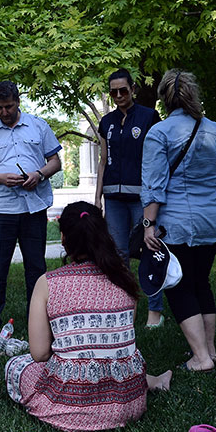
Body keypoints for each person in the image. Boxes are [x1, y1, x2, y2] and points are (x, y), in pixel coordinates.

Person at [4, 201, 172, 432]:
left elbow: (39, 353)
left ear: (63, 238)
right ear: (102, 233)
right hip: (128, 404)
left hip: (69, 406)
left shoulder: (48, 283)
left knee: (16, 365)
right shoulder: (123, 278)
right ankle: (151, 382)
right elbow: (118, 336)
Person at [141, 69, 216, 372]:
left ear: (163, 98)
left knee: (178, 285)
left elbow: (154, 185)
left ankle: (200, 358)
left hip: (179, 223)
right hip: (213, 219)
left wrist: (148, 225)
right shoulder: (214, 129)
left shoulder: (159, 132)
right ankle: (210, 351)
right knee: (201, 282)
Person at [0, 80, 62, 336]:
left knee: (36, 267)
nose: (4, 112)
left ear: (18, 102)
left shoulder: (38, 126)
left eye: (8, 106)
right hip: (0, 209)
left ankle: (39, 321)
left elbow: (55, 161)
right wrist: (1, 178)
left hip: (34, 207)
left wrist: (39, 175)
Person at [95, 68, 165, 328]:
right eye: (113, 92)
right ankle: (124, 309)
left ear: (133, 89)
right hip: (113, 197)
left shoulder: (149, 117)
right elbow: (103, 161)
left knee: (150, 250)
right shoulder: (107, 122)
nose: (118, 95)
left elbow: (159, 158)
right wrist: (97, 197)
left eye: (123, 90)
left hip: (142, 197)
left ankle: (155, 312)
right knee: (118, 254)